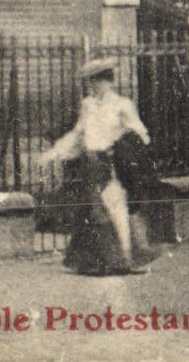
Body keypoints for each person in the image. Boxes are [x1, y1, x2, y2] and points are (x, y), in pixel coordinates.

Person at [39, 56, 156, 276]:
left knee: (117, 208)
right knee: (96, 210)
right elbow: (78, 135)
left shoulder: (123, 105)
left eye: (98, 81)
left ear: (108, 81)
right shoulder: (88, 105)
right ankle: (104, 261)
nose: (94, 86)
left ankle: (128, 259)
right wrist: (55, 153)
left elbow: (141, 134)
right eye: (92, 82)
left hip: (113, 164)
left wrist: (125, 144)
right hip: (92, 163)